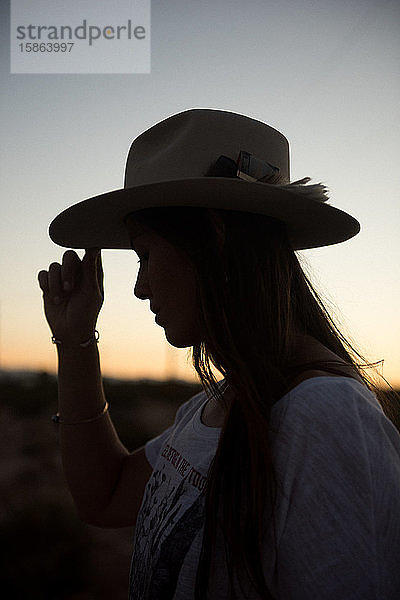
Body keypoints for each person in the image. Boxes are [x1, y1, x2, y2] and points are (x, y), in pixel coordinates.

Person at [38, 109, 400, 599]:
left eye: (145, 255)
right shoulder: (225, 402)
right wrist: (75, 339)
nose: (140, 288)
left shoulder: (323, 417)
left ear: (214, 238)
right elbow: (104, 497)